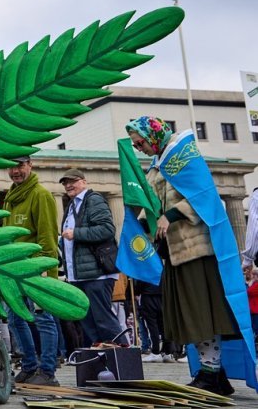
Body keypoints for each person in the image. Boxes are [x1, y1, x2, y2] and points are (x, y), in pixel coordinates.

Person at [126, 116, 239, 395]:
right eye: (134, 143)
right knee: (191, 315)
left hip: (195, 251)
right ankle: (213, 373)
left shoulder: (184, 156)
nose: (137, 147)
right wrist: (138, 228)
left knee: (202, 313)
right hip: (174, 253)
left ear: (153, 136)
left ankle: (212, 374)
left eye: (140, 141)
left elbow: (204, 195)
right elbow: (151, 205)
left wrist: (170, 215)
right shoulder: (157, 165)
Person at [2, 155, 60, 387]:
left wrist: (45, 269)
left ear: (30, 165)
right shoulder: (10, 197)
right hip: (13, 271)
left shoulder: (41, 195)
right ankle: (29, 366)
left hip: (36, 270)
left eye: (20, 165)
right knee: (14, 319)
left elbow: (48, 237)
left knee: (44, 319)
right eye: (11, 166)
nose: (15, 171)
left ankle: (47, 372)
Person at [58, 168, 127, 346]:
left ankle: (123, 355)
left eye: (72, 181)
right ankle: (101, 360)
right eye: (65, 183)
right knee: (89, 322)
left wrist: (76, 234)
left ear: (83, 181)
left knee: (103, 318)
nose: (68, 185)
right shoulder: (72, 205)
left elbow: (107, 229)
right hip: (79, 274)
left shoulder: (93, 200)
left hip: (97, 273)